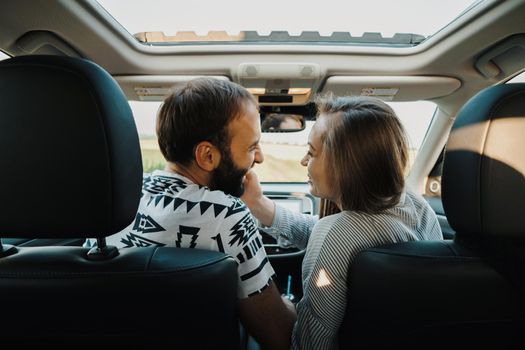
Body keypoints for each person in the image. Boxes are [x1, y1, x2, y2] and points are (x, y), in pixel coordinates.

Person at [93, 78, 296, 350]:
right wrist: (294, 303)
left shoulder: (113, 204)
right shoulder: (225, 215)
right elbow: (281, 337)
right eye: (250, 147)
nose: (258, 158)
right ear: (207, 156)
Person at [241, 95, 444, 349]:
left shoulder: (335, 234)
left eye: (311, 153)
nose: (303, 161)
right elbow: (337, 234)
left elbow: (310, 344)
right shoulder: (416, 205)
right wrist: (259, 204)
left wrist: (286, 306)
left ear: (345, 164)